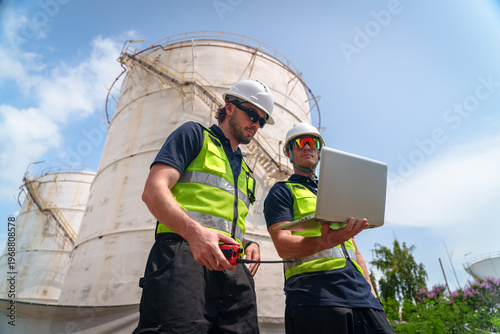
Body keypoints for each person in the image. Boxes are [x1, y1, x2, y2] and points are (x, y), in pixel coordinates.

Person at [133, 79, 275, 334]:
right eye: (252, 113)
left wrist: (247, 244)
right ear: (229, 107)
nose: (256, 124)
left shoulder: (245, 170)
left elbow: (223, 220)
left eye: (262, 120)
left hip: (234, 268)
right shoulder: (194, 135)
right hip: (184, 257)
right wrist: (194, 233)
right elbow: (153, 192)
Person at [263, 123, 394, 334]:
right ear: (289, 152)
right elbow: (282, 246)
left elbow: (353, 248)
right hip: (315, 295)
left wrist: (372, 293)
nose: (307, 147)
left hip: (361, 295)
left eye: (312, 143)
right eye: (299, 143)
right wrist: (323, 241)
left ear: (319, 152)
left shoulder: (336, 192)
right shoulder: (282, 192)